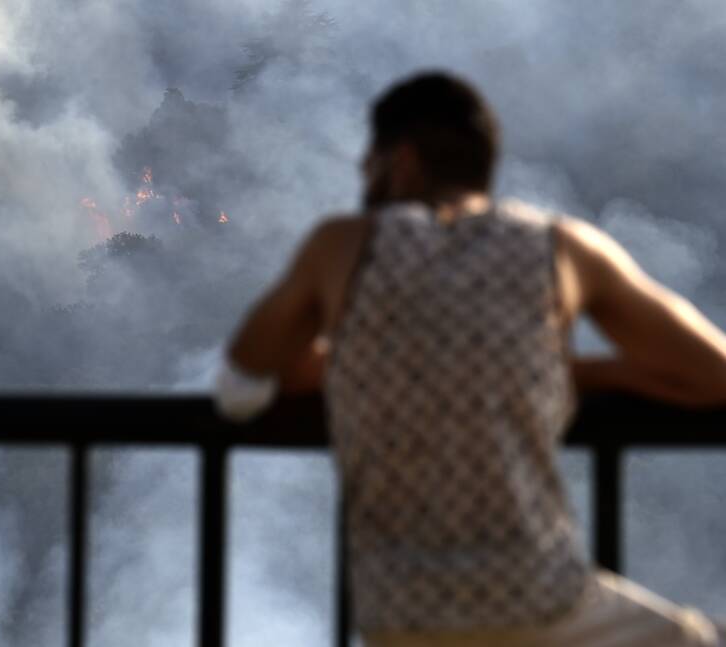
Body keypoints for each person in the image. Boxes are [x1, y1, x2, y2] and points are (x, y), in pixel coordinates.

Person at [216, 71, 726, 646]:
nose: (363, 176)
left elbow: (241, 388)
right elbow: (714, 373)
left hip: (400, 616)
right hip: (543, 604)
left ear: (400, 161)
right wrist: (582, 373)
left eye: (369, 162)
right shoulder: (562, 249)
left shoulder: (341, 247)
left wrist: (372, 362)